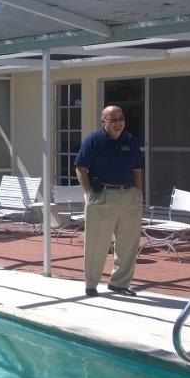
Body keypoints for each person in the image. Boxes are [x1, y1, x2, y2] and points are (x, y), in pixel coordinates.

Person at [74, 105, 143, 297]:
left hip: (129, 196)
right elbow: (80, 168)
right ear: (104, 121)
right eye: (113, 120)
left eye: (120, 118)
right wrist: (88, 193)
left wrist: (138, 193)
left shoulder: (131, 140)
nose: (118, 122)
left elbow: (137, 169)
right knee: (97, 243)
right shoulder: (93, 140)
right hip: (102, 195)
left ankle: (119, 283)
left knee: (128, 243)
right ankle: (91, 284)